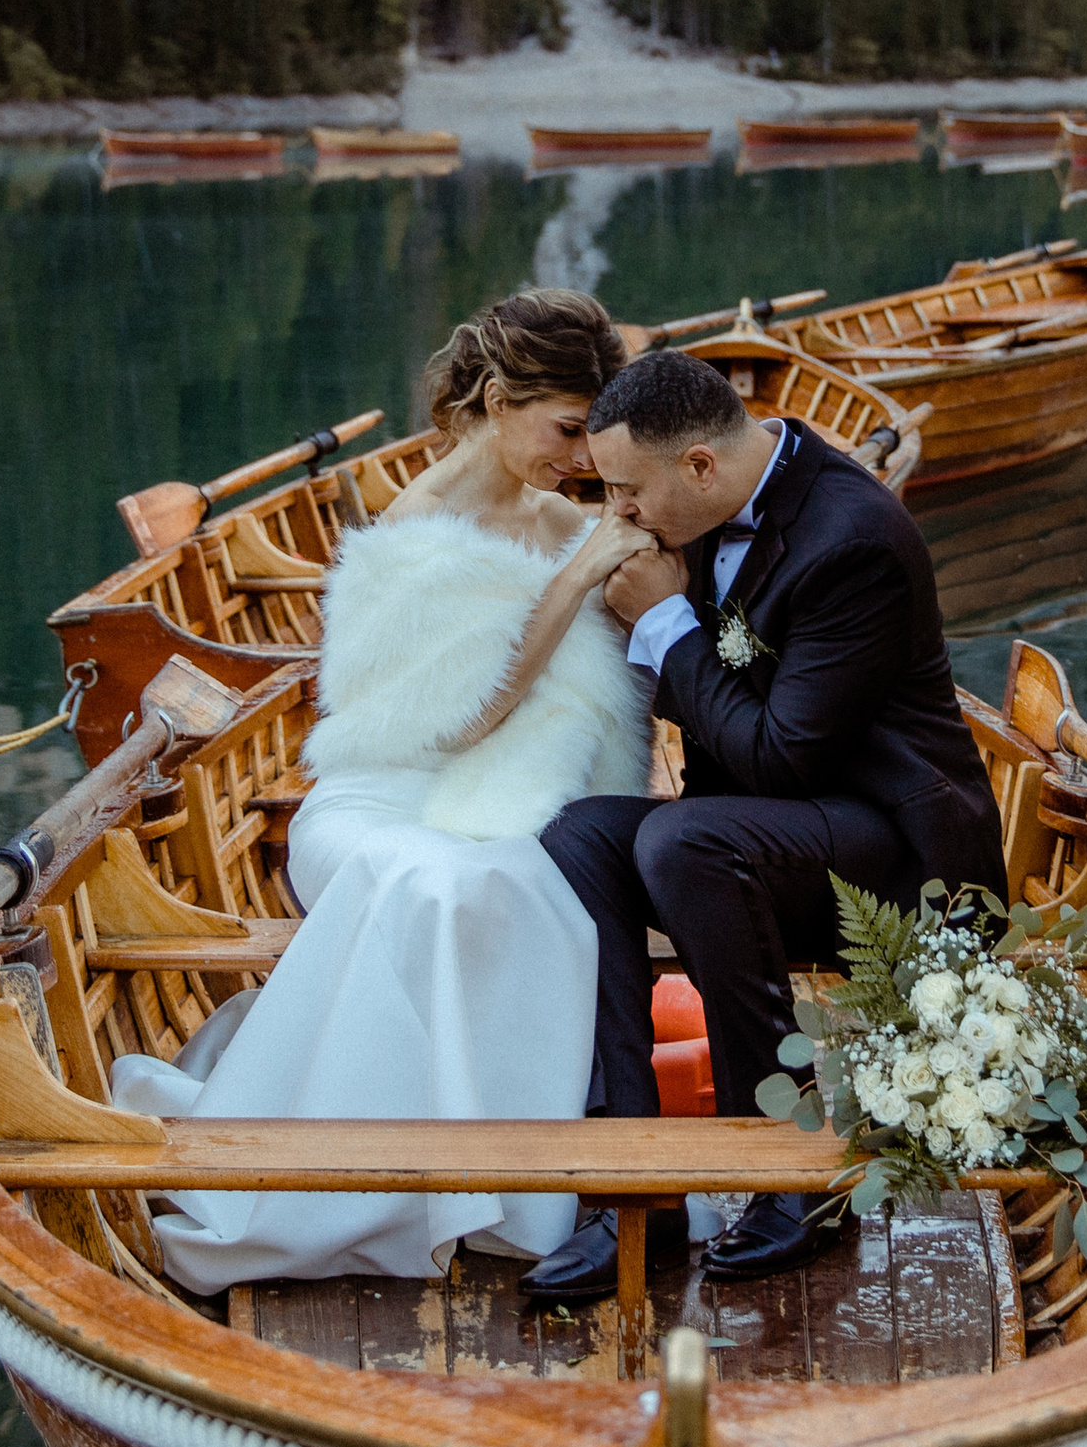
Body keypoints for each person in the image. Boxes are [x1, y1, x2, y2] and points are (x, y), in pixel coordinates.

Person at [107, 289, 650, 1290]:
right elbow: (464, 718)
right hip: (377, 799)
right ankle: (388, 1180)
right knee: (439, 886)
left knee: (526, 883)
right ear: (498, 401)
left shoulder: (561, 519)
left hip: (497, 794)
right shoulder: (416, 526)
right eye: (567, 428)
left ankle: (494, 1180)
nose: (581, 458)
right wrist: (575, 579)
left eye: (590, 435)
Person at [528, 347, 1007, 1302]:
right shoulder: (698, 512)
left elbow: (782, 758)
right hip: (773, 831)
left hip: (898, 857)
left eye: (627, 491)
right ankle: (632, 1185)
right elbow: (722, 712)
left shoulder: (854, 540)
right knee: (579, 835)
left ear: (700, 466)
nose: (619, 513)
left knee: (683, 840)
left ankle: (790, 1173)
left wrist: (667, 623)